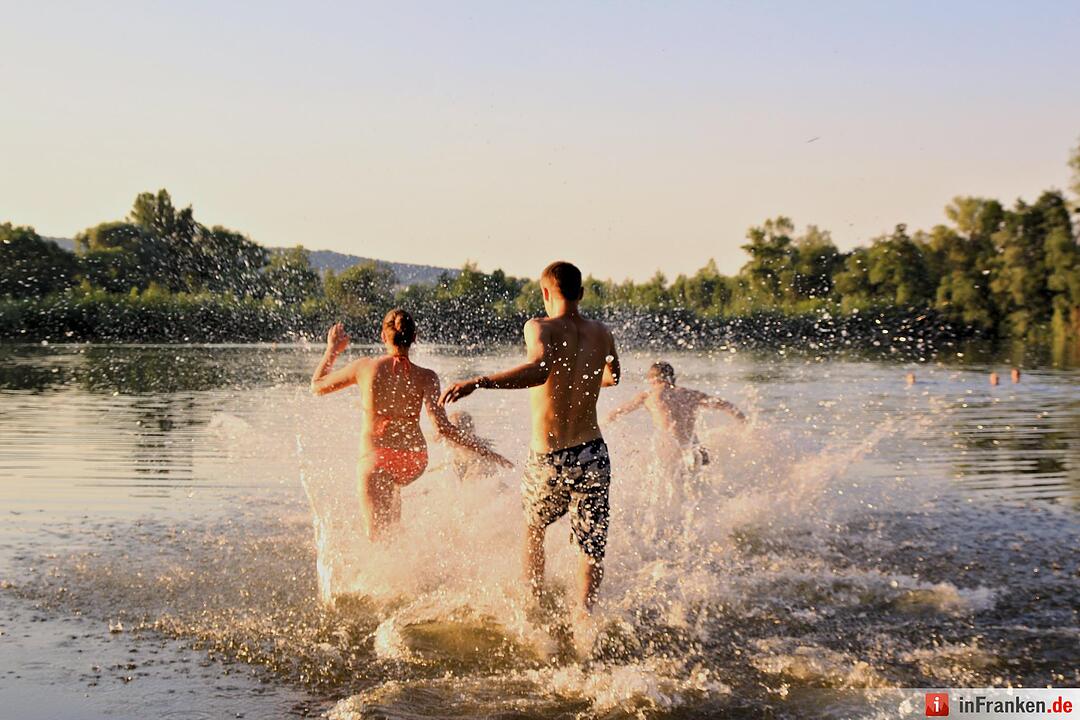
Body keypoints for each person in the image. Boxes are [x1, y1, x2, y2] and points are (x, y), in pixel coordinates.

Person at [441, 261, 620, 614]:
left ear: (545, 293)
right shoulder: (602, 332)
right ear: (581, 294)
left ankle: (533, 608)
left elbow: (539, 369)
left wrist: (480, 382)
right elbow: (613, 376)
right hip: (592, 452)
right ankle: (584, 618)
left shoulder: (539, 326)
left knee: (534, 529)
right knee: (591, 546)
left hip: (550, 455)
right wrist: (584, 379)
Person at [311, 309, 512, 540]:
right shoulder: (427, 376)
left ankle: (387, 573)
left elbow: (317, 386)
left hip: (377, 460)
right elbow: (442, 428)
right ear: (414, 337)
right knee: (393, 526)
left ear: (383, 336)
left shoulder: (365, 368)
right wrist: (485, 450)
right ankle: (409, 570)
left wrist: (332, 350)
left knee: (377, 538)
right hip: (413, 461)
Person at [606, 361, 746, 475]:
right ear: (672, 377)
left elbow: (615, 414)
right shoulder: (690, 394)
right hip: (695, 449)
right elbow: (727, 406)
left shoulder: (649, 395)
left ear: (651, 379)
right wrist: (744, 423)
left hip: (670, 450)